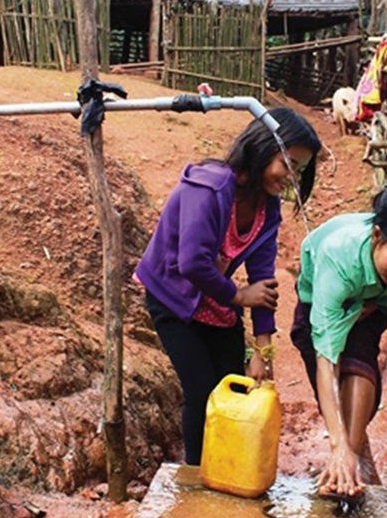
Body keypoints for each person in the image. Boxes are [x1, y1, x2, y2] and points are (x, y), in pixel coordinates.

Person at [134, 108, 322, 465]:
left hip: (213, 296)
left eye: (300, 171)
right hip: (172, 296)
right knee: (203, 391)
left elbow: (262, 282)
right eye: (289, 164)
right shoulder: (210, 187)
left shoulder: (267, 208)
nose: (292, 177)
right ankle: (197, 474)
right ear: (263, 146)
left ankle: (227, 468)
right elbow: (191, 262)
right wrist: (237, 295)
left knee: (234, 386)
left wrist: (263, 353)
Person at [290, 187, 387, 499]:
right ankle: (347, 458)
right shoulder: (338, 258)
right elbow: (327, 359)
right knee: (333, 385)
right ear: (376, 237)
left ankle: (352, 461)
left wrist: (376, 306)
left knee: (360, 362)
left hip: (376, 301)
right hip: (324, 298)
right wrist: (338, 446)